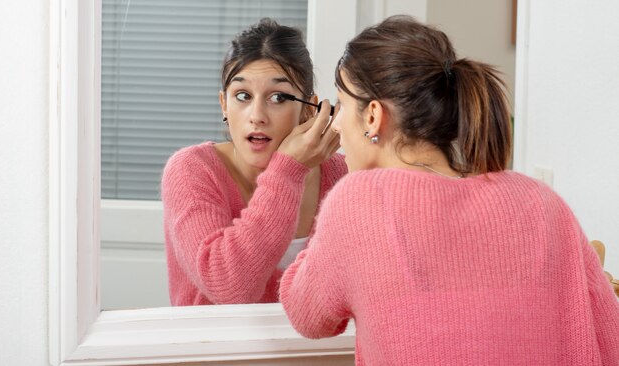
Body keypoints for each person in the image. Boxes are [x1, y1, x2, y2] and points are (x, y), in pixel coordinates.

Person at [279, 15, 619, 365]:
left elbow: (307, 314)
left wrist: (294, 171)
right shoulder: (540, 201)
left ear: (373, 116)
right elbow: (608, 337)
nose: (336, 122)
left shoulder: (358, 202)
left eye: (343, 105)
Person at [162, 18, 345, 306]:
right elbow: (230, 289)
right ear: (224, 104)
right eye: (243, 96)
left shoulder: (342, 177)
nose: (257, 115)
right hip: (214, 350)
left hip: (320, 351)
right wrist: (288, 171)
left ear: (309, 111)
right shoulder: (191, 170)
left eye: (278, 97)